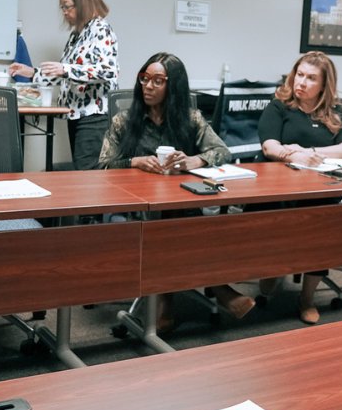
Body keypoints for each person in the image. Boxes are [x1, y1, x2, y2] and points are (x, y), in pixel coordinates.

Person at [98, 52, 254, 326]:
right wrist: (135, 161)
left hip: (178, 202)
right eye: (145, 78)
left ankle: (166, 301)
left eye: (158, 81)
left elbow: (221, 150)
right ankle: (217, 291)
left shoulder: (190, 119)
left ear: (174, 87)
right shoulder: (124, 121)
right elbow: (102, 167)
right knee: (169, 226)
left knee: (179, 221)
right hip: (135, 206)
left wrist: (194, 159)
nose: (148, 86)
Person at [258, 51, 342, 325]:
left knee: (321, 224)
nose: (301, 82)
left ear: (324, 85)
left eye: (311, 78)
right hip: (275, 185)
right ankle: (270, 267)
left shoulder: (337, 112)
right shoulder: (280, 106)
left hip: (317, 186)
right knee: (265, 215)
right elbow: (269, 145)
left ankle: (307, 298)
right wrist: (293, 156)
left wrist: (311, 152)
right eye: (299, 75)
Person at [9, 0, 118, 170]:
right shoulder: (77, 35)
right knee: (81, 169)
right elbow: (66, 74)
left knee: (88, 170)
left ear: (82, 3)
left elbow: (108, 70)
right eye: (62, 8)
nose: (64, 12)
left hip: (94, 114)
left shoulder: (101, 29)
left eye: (67, 7)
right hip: (75, 112)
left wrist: (66, 69)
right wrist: (33, 73)